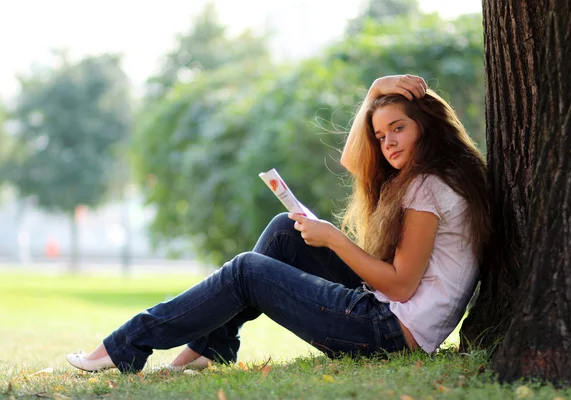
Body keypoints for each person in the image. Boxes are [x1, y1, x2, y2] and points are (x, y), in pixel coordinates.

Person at [66, 75, 491, 373]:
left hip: (390, 334)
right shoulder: (440, 176)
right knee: (285, 230)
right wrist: (376, 90)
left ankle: (125, 345)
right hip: (390, 318)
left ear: (427, 128)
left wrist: (334, 240)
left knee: (247, 270)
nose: (388, 143)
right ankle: (210, 347)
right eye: (381, 135)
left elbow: (400, 286)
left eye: (398, 128)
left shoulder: (428, 188)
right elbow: (353, 160)